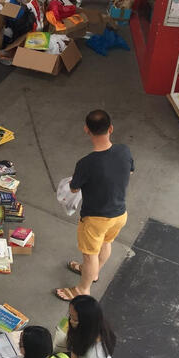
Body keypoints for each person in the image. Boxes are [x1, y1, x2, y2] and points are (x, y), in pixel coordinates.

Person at [57, 110, 132, 301]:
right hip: (120, 214)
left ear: (86, 130)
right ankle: (93, 272)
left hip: (95, 219)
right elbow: (129, 172)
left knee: (90, 255)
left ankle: (82, 289)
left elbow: (74, 189)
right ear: (111, 128)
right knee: (106, 243)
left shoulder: (86, 163)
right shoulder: (124, 151)